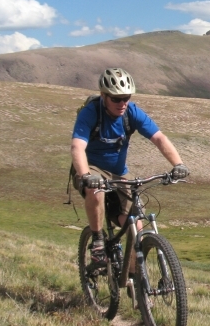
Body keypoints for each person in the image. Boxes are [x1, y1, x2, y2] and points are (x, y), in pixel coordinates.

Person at [71, 67, 189, 264]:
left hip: (118, 172)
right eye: (116, 99)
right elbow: (77, 146)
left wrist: (179, 164)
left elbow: (159, 138)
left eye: (126, 97)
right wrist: (85, 175)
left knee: (136, 224)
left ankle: (135, 278)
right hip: (91, 168)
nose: (122, 103)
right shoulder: (91, 113)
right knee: (96, 190)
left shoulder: (132, 112)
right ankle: (98, 241)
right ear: (103, 96)